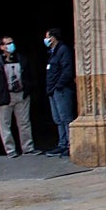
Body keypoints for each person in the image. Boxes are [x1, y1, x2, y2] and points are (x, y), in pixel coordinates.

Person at [0, 35, 40, 157]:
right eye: (7, 44)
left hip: (21, 95)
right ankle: (10, 150)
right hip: (5, 97)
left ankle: (28, 148)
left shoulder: (21, 59)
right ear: (1, 47)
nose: (10, 45)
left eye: (11, 43)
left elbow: (30, 76)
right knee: (5, 125)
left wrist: (28, 89)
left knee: (24, 123)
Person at [43, 28, 77, 157]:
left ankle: (70, 145)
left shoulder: (63, 50)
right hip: (53, 89)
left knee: (65, 118)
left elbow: (66, 70)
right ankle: (62, 143)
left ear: (53, 37)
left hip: (61, 89)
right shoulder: (52, 52)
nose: (46, 40)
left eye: (47, 37)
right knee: (58, 119)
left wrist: (59, 86)